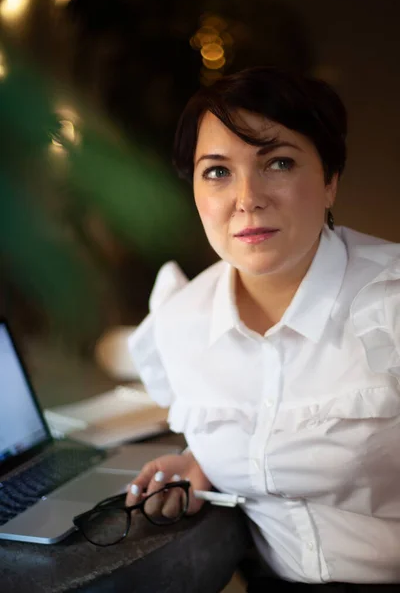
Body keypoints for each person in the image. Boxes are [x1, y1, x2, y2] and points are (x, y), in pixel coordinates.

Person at [126, 66, 400, 591]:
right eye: (217, 172)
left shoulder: (389, 301)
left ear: (330, 180)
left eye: (277, 162)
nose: (247, 198)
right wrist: (197, 459)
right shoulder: (181, 322)